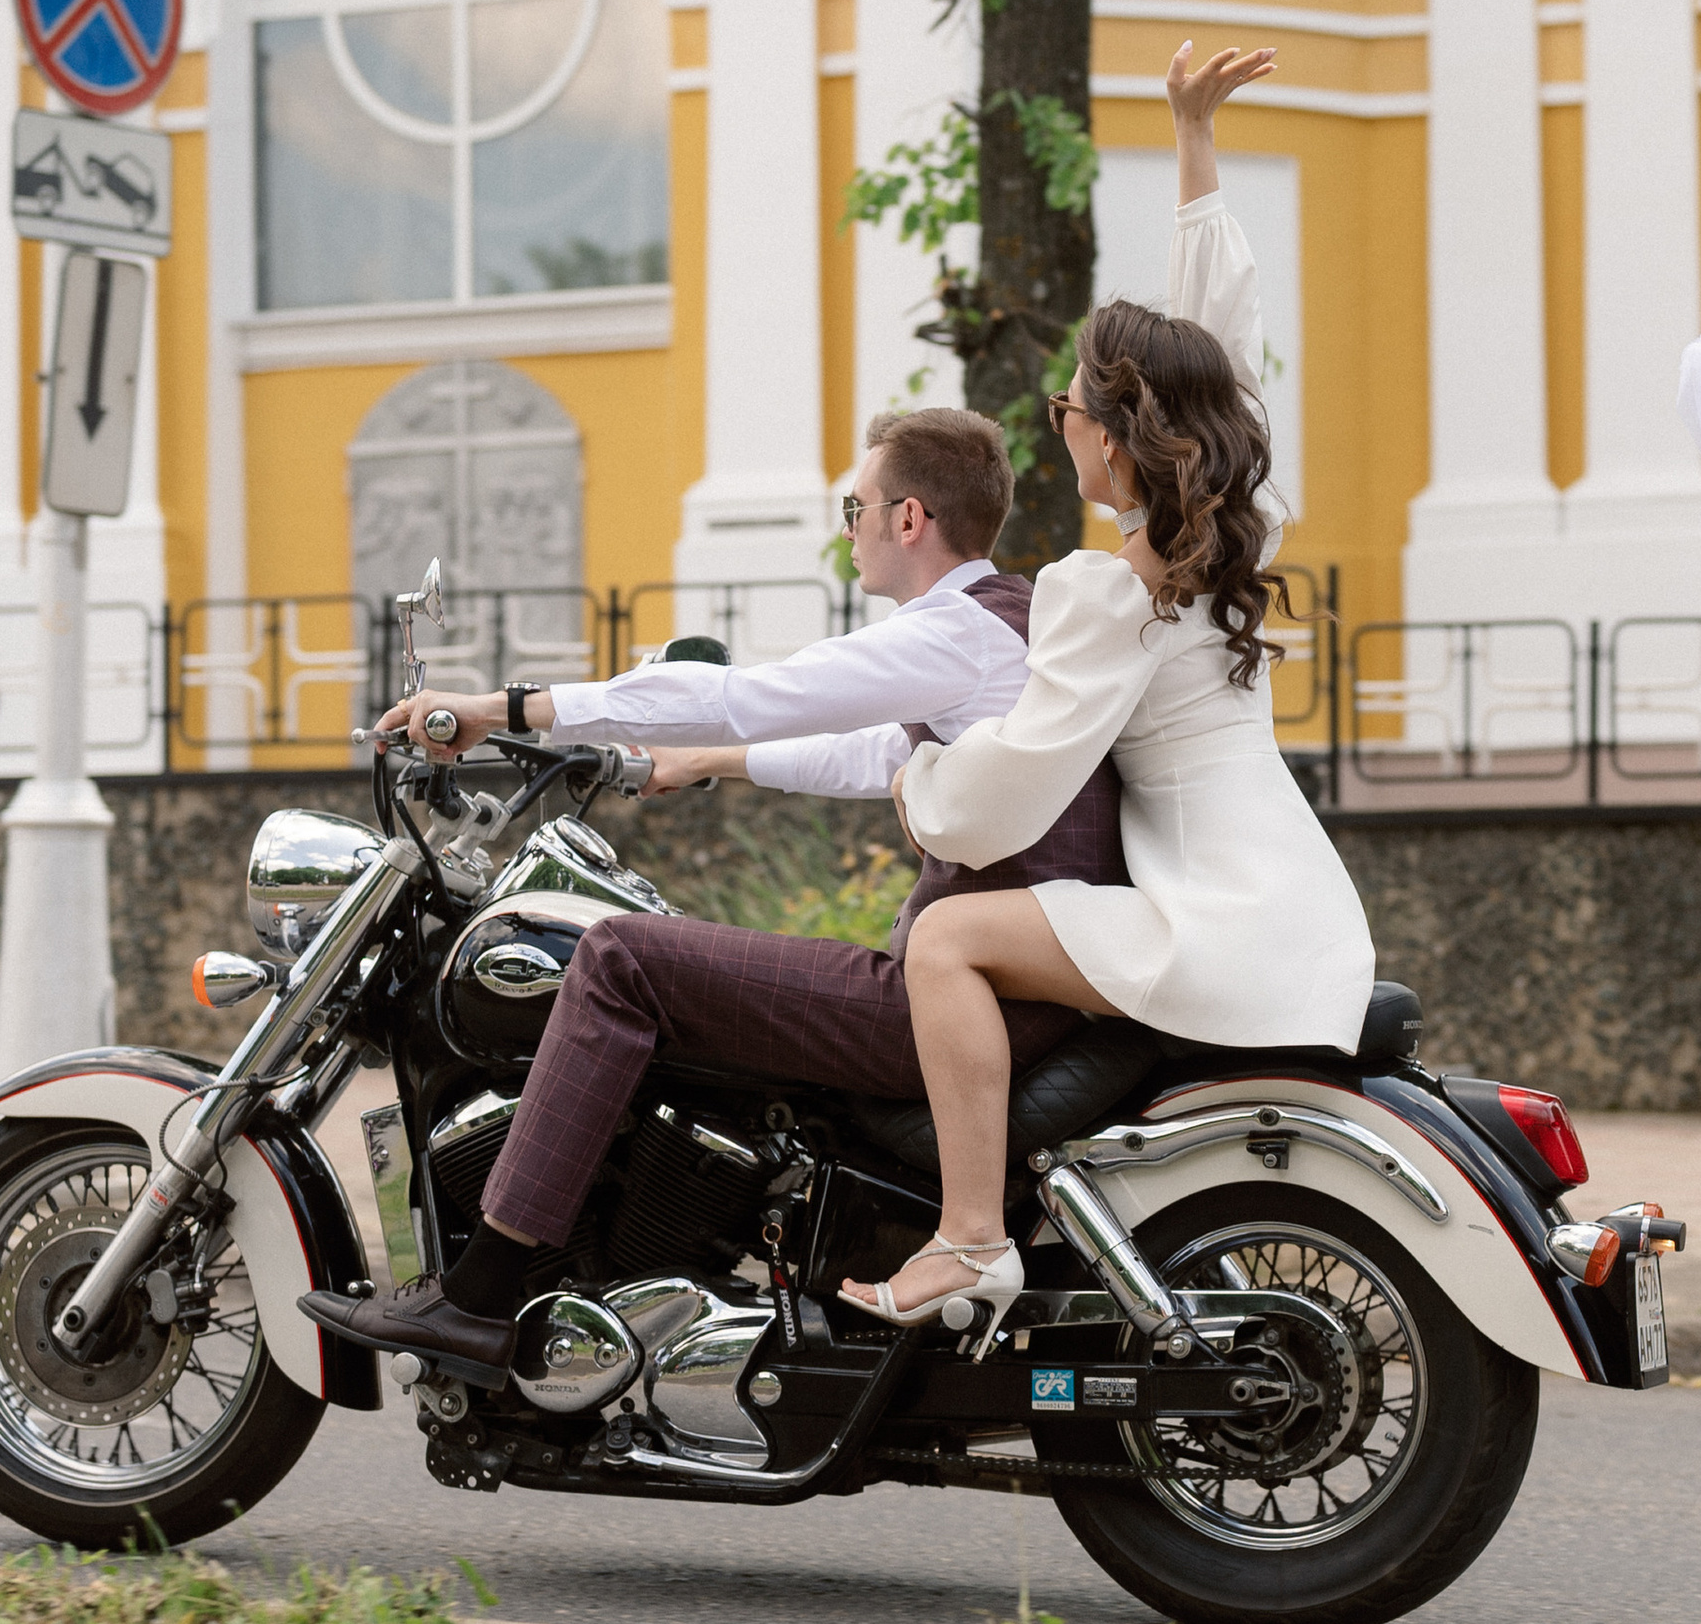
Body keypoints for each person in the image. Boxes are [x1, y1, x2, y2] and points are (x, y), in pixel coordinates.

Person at [302, 404, 1131, 1383]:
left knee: (620, 957)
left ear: (909, 519)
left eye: (855, 507)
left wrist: (502, 709)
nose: (847, 527)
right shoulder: (1002, 621)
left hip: (962, 1006)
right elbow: (874, 751)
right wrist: (708, 761)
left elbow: (749, 694)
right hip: (1013, 992)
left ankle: (482, 1292)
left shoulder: (952, 632)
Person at [837, 41, 1377, 1327]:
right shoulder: (1237, 526)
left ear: (1114, 437)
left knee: (947, 937)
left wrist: (917, 778)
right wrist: (1193, 147)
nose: (1058, 415)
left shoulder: (1102, 592)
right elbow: (1224, 353)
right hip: (1302, 912)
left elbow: (1006, 799)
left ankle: (970, 1240)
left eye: (1067, 402)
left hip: (1217, 927)